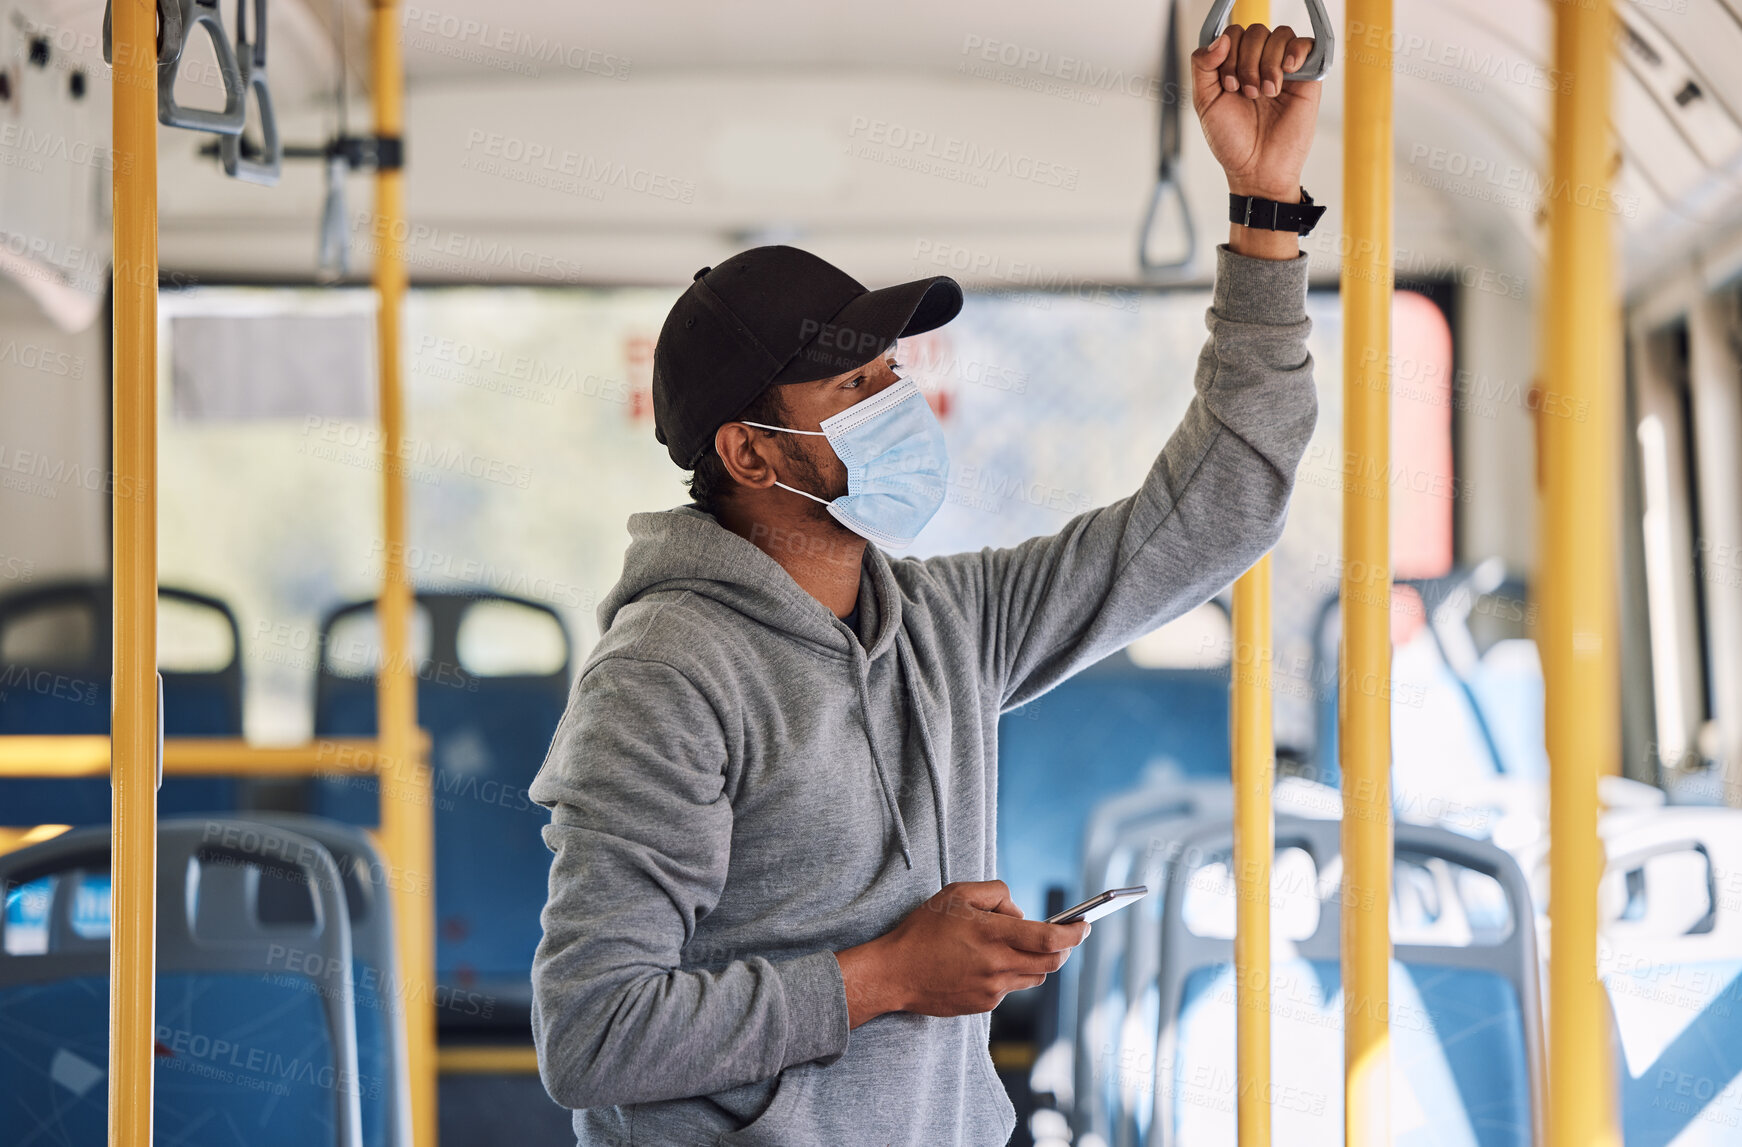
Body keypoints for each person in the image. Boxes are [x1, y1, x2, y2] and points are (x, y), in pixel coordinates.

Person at [530, 23, 1324, 1146]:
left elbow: (1217, 508)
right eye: (851, 387)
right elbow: (595, 1033)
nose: (896, 405)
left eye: (889, 375)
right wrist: (891, 973)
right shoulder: (665, 675)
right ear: (749, 454)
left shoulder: (943, 624)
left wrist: (1264, 214)